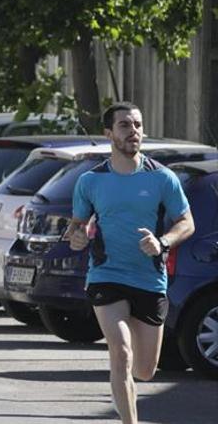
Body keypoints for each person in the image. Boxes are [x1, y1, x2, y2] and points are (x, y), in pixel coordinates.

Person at [66, 102, 194, 424]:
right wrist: (77, 237)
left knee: (145, 370)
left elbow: (187, 222)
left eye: (137, 124)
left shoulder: (163, 178)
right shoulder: (90, 181)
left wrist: (162, 242)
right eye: (124, 125)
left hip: (149, 279)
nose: (133, 131)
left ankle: (128, 402)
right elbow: (77, 226)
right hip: (106, 274)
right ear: (108, 133)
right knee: (120, 352)